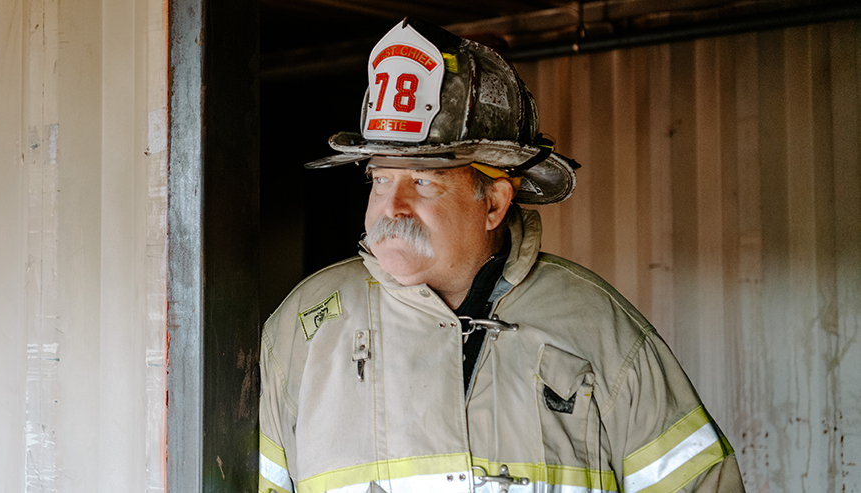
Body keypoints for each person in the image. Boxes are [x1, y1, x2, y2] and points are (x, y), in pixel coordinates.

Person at [259, 18, 744, 493]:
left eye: (424, 181)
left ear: (492, 203)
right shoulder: (304, 327)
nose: (392, 207)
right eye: (381, 178)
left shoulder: (596, 326)